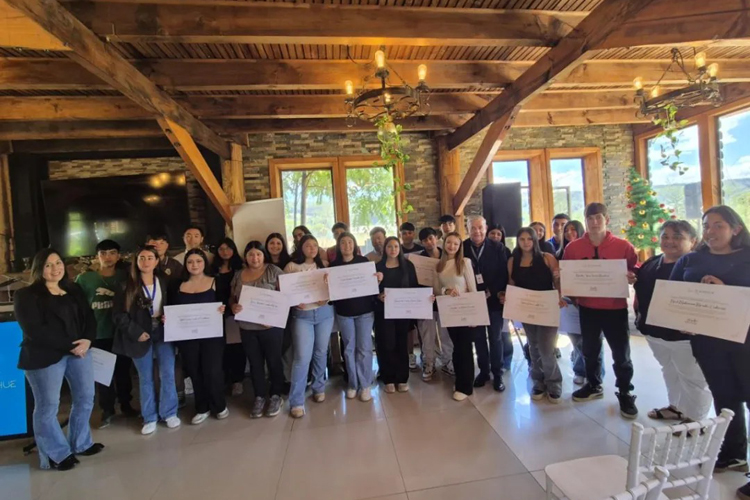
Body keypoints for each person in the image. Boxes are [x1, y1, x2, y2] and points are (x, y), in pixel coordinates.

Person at [670, 206, 750, 483]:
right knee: (724, 397)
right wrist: (680, 318)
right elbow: (674, 295)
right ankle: (734, 453)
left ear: (735, 229)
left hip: (745, 341)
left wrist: (725, 292)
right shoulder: (691, 259)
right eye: (706, 225)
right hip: (707, 342)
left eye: (718, 225)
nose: (710, 231)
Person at [15, 248, 103, 471]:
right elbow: (34, 330)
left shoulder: (73, 289)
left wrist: (88, 340)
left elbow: (88, 317)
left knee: (86, 398)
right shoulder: (26, 295)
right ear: (39, 269)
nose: (55, 268)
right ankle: (56, 454)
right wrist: (70, 346)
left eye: (58, 263)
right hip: (44, 356)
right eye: (48, 265)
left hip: (80, 351)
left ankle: (81, 443)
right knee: (48, 406)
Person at [563, 202, 638, 418]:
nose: (594, 222)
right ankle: (594, 384)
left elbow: (635, 268)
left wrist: (633, 276)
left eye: (598, 218)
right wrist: (563, 280)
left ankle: (625, 391)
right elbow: (569, 275)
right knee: (590, 350)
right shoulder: (573, 248)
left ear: (607, 220)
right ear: (585, 220)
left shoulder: (623, 246)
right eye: (590, 218)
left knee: (621, 353)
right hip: (588, 308)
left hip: (615, 308)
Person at [634, 220, 711, 424]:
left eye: (677, 237)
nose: (670, 241)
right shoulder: (652, 263)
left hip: (684, 336)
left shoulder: (698, 267)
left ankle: (696, 419)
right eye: (665, 236)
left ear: (693, 241)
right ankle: (676, 407)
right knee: (669, 370)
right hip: (654, 332)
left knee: (692, 377)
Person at [113, 246, 181, 435]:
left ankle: (169, 412)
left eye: (150, 257)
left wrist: (170, 317)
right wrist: (136, 332)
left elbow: (173, 304)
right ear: (136, 261)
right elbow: (118, 315)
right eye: (141, 258)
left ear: (157, 261)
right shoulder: (125, 285)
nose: (146, 261)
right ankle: (149, 417)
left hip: (163, 332)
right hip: (139, 334)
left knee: (167, 373)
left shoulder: (164, 281)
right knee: (145, 377)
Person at [75, 239, 135, 428]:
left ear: (118, 256)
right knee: (102, 374)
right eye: (103, 253)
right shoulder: (85, 279)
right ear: (97, 256)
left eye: (112, 253)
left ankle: (126, 404)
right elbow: (77, 307)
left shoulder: (126, 276)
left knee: (123, 372)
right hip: (98, 333)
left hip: (121, 333)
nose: (108, 257)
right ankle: (107, 409)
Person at [506, 228, 563, 403]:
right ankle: (538, 380)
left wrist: (560, 294)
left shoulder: (547, 258)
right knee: (533, 346)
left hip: (547, 308)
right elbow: (512, 284)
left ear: (535, 240)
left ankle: (554, 382)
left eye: (529, 239)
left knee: (546, 347)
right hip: (527, 309)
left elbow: (557, 281)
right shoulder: (513, 261)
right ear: (518, 241)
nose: (526, 242)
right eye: (522, 239)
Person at [171, 249, 228, 425]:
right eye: (190, 262)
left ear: (205, 263)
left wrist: (224, 309)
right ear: (185, 265)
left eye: (198, 261)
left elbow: (227, 305)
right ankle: (202, 407)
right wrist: (168, 318)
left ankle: (219, 405)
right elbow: (171, 309)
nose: (194, 265)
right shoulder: (177, 285)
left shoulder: (216, 281)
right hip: (187, 337)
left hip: (212, 336)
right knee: (195, 371)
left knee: (212, 371)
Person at [231, 241, 286, 418]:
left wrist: (274, 318)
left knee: (274, 361)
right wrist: (233, 307)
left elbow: (286, 296)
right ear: (245, 257)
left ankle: (276, 395)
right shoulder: (239, 275)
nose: (255, 258)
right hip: (247, 327)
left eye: (258, 254)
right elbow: (232, 297)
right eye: (251, 255)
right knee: (255, 363)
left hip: (271, 327)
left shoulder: (274, 271)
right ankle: (259, 396)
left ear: (264, 255)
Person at [284, 234, 334, 418]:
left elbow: (334, 289)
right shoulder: (291, 266)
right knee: (302, 357)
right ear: (301, 248)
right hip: (302, 316)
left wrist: (326, 298)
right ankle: (296, 401)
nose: (312, 248)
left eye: (315, 245)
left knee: (320, 352)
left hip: (324, 314)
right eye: (307, 245)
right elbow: (282, 291)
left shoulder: (325, 265)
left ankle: (318, 388)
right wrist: (292, 301)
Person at [328, 232, 376, 402]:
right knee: (349, 349)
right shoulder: (333, 266)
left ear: (354, 245)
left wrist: (377, 278)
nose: (347, 246)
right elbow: (331, 293)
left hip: (365, 312)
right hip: (344, 313)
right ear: (338, 246)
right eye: (343, 243)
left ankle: (365, 384)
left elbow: (372, 285)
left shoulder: (364, 262)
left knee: (364, 348)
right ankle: (353, 384)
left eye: (350, 242)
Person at [464, 216, 510, 392]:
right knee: (478, 339)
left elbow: (503, 272)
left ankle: (498, 374)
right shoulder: (463, 247)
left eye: (480, 228)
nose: (477, 231)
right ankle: (484, 372)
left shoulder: (498, 247)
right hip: (473, 301)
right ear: (467, 229)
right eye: (473, 228)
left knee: (495, 338)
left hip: (493, 301)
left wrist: (491, 290)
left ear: (486, 228)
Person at [556, 219, 603, 385]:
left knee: (593, 340)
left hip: (591, 301)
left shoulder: (591, 250)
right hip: (569, 302)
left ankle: (596, 373)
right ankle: (580, 370)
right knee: (576, 340)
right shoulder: (559, 254)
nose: (569, 233)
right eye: (566, 230)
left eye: (573, 229)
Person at [434, 232, 479, 401]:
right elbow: (436, 289)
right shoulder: (438, 265)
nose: (452, 246)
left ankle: (465, 387)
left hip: (465, 310)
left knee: (465, 348)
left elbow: (473, 289)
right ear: (444, 244)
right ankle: (460, 379)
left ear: (460, 246)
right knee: (456, 347)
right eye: (449, 242)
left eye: (455, 244)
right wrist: (446, 291)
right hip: (449, 312)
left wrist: (475, 315)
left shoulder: (465, 262)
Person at [374, 237, 418, 393]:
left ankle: (402, 378)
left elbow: (414, 287)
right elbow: (371, 289)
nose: (393, 249)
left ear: (400, 249)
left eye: (396, 246)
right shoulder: (377, 267)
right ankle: (388, 378)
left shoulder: (408, 266)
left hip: (402, 312)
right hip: (383, 312)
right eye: (390, 246)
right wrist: (379, 295)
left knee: (401, 343)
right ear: (385, 249)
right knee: (387, 344)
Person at [414, 227, 454, 380]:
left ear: (436, 238)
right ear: (422, 243)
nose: (429, 242)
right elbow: (415, 281)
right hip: (427, 301)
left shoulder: (447, 256)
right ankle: (428, 363)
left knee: (446, 335)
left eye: (431, 238)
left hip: (444, 300)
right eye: (425, 240)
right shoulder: (419, 260)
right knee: (427, 335)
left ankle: (448, 362)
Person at [212, 238, 245, 397]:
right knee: (221, 348)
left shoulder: (240, 268)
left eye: (228, 248)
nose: (225, 252)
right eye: (221, 248)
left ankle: (237, 380)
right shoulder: (212, 269)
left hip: (235, 312)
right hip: (216, 313)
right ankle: (225, 379)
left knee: (236, 347)